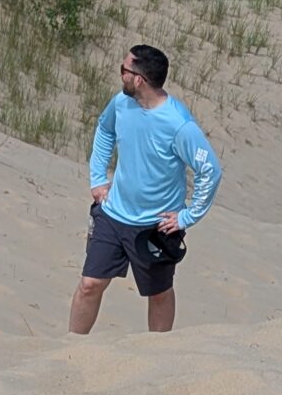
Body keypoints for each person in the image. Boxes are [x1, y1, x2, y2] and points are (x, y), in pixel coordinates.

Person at [69, 44, 222, 334]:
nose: (121, 75)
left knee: (159, 293)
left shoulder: (179, 124)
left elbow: (210, 170)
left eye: (124, 70)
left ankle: (159, 352)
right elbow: (105, 130)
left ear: (139, 79)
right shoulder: (121, 103)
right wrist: (98, 178)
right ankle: (71, 348)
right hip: (113, 215)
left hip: (155, 227)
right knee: (89, 284)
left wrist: (187, 217)